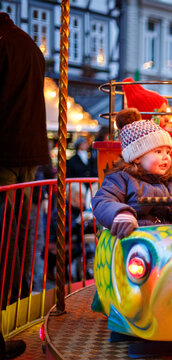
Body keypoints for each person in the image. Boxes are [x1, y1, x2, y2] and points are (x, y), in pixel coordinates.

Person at [91, 108, 172, 240]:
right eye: (158, 152)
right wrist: (121, 214)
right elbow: (103, 201)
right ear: (137, 157)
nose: (166, 157)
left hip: (168, 240)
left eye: (167, 152)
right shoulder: (120, 179)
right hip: (136, 239)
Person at [0, 12, 48, 315]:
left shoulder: (4, 44)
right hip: (28, 151)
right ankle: (17, 299)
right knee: (20, 229)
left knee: (5, 230)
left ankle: (6, 299)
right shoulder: (29, 45)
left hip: (4, 149)